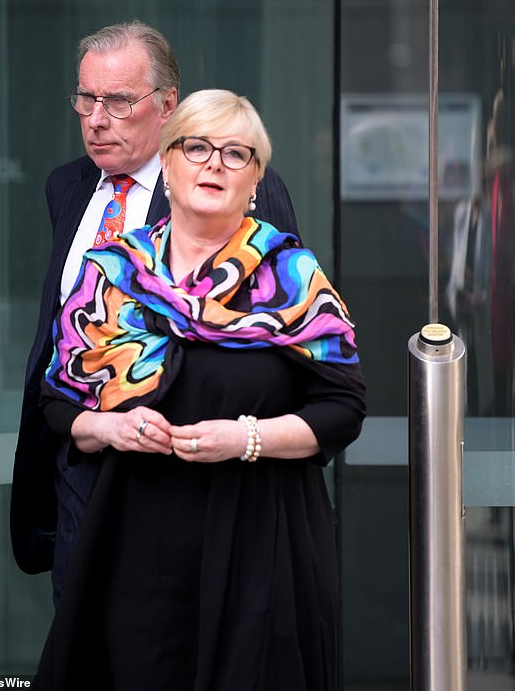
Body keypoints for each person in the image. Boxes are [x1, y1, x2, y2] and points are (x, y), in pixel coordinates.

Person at [31, 89, 366, 690]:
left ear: (255, 178)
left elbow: (342, 409)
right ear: (169, 161)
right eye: (197, 147)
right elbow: (59, 403)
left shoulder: (293, 275)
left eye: (236, 153)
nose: (214, 163)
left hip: (261, 542)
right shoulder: (112, 270)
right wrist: (110, 427)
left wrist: (245, 438)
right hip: (133, 547)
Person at [9, 20, 300, 603]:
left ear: (168, 105)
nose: (96, 118)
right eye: (86, 99)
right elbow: (64, 337)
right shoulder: (66, 187)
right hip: (81, 469)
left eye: (118, 101)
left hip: (180, 479)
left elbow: (281, 339)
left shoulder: (235, 190)